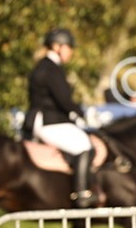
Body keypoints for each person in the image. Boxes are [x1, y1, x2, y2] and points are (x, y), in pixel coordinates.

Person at [25, 28, 97, 208]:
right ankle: (81, 194)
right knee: (85, 144)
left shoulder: (47, 66)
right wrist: (81, 114)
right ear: (57, 47)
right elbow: (64, 99)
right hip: (48, 121)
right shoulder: (50, 68)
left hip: (48, 119)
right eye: (68, 47)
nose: (70, 52)